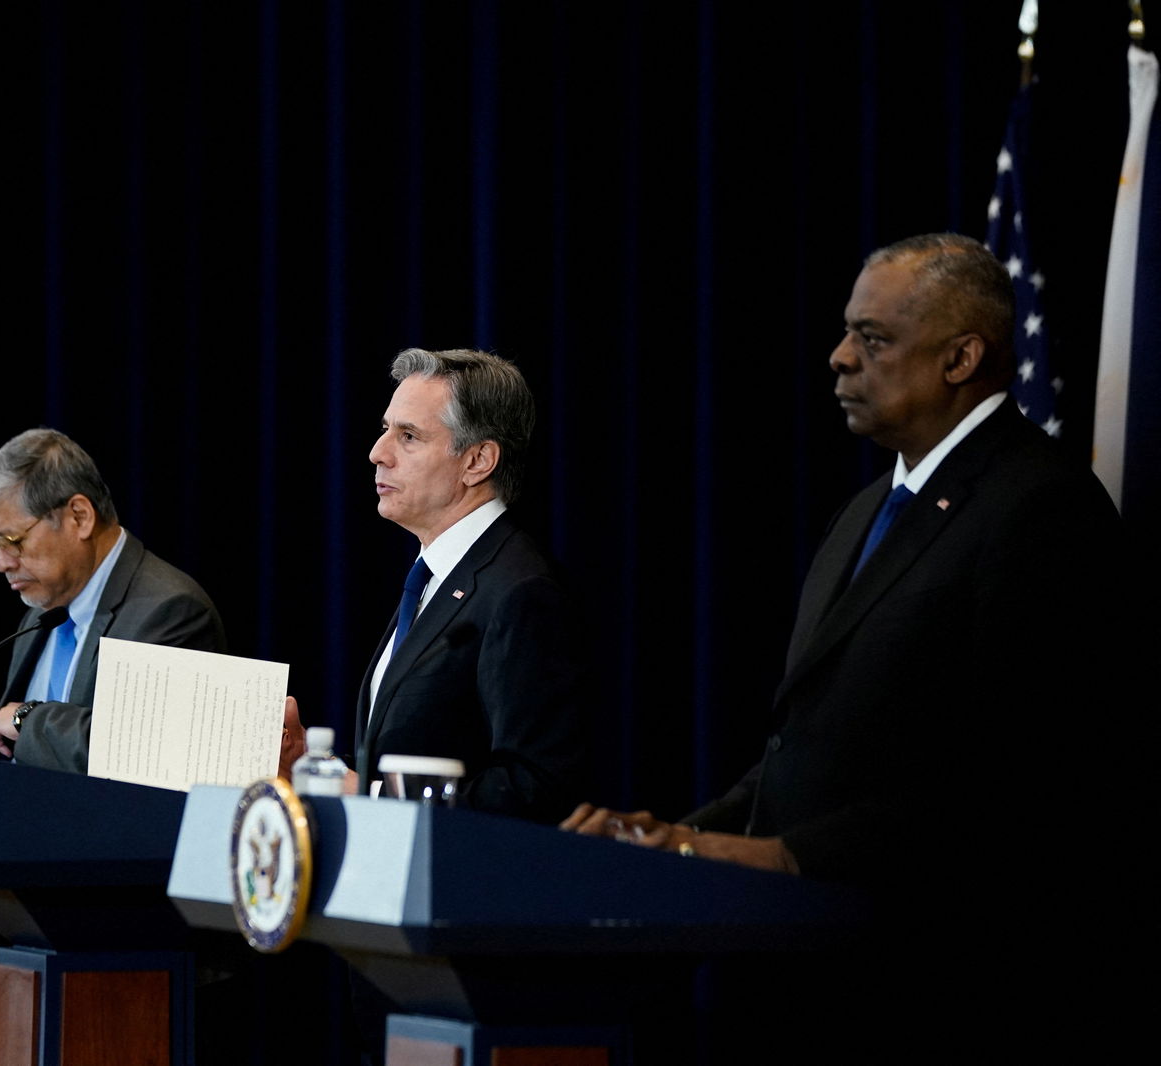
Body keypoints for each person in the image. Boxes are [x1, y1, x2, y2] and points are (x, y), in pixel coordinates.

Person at [563, 234, 1140, 1057]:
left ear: (961, 357)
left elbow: (1017, 779)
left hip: (938, 990)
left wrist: (776, 856)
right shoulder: (865, 512)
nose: (839, 357)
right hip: (806, 977)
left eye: (873, 339)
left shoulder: (1043, 507)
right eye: (846, 332)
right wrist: (668, 842)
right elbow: (804, 752)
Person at [292, 349, 585, 823]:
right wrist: (318, 767)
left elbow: (535, 787)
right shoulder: (439, 575)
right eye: (385, 429)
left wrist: (369, 796)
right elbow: (418, 751)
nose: (378, 453)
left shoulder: (521, 591)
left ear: (477, 461)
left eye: (408, 436)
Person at [0, 427, 229, 773]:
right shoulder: (40, 616)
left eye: (12, 540)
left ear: (80, 517)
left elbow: (141, 751)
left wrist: (27, 718)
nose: (2, 563)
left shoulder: (171, 611)